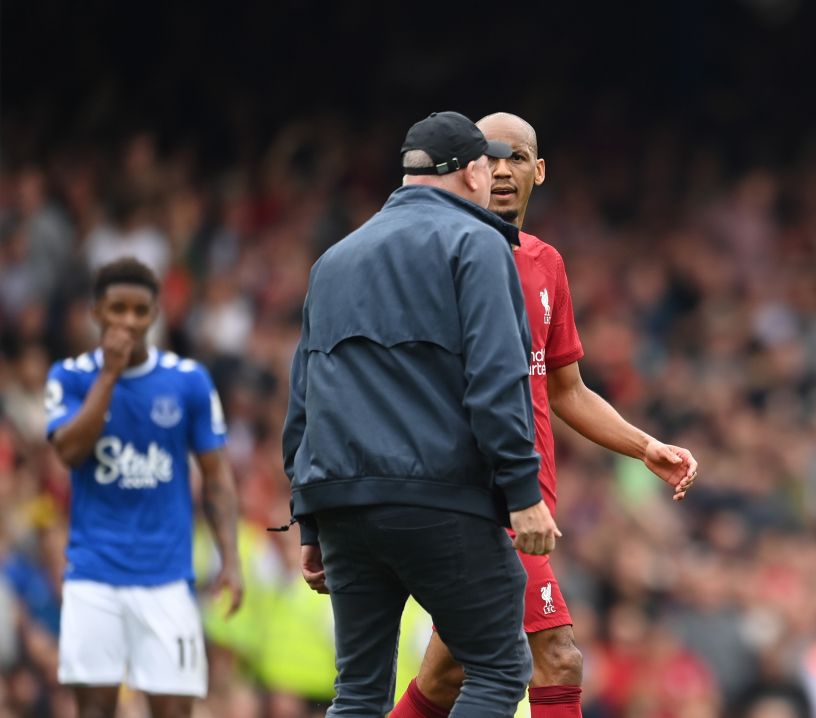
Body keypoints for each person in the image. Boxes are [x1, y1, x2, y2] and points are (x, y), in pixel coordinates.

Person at [390, 112, 698, 718]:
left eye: (518, 157)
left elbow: (566, 389)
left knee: (448, 670)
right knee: (558, 657)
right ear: (471, 170)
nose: (503, 169)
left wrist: (643, 446)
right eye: (491, 156)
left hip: (525, 502)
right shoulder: (442, 256)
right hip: (476, 498)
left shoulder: (545, 263)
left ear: (539, 170)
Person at [282, 110, 561, 717]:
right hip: (439, 500)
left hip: (341, 504)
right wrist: (522, 491)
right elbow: (496, 379)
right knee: (497, 667)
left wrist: (310, 523)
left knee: (358, 692)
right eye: (490, 165)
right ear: (470, 173)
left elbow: (304, 398)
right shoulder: (478, 242)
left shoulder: (333, 259)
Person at [45, 257, 242, 718]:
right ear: (96, 312)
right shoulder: (70, 376)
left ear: (155, 314)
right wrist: (110, 375)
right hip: (93, 575)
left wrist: (230, 559)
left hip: (167, 578)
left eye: (140, 311)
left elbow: (216, 477)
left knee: (173, 711)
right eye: (117, 309)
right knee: (94, 711)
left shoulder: (188, 380)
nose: (129, 321)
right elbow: (69, 452)